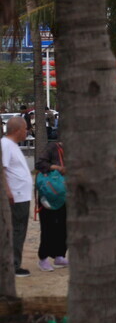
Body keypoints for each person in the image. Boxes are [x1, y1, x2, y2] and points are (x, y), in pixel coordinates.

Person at [3, 117, 34, 277]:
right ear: (17, 130)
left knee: (19, 230)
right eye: (25, 129)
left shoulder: (12, 145)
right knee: (17, 230)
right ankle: (13, 265)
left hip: (21, 195)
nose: (27, 131)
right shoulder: (6, 145)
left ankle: (14, 263)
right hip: (16, 196)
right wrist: (8, 191)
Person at [35, 134, 68, 271]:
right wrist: (56, 167)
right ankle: (43, 258)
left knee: (63, 226)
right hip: (49, 195)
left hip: (64, 195)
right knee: (48, 227)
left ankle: (59, 255)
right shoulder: (51, 147)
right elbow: (40, 164)